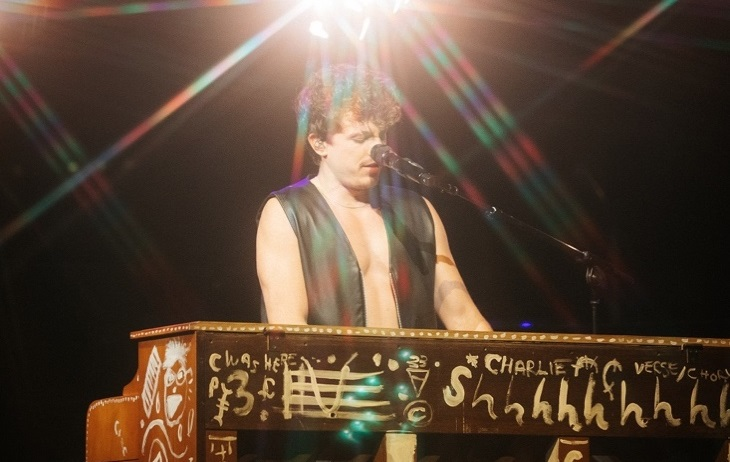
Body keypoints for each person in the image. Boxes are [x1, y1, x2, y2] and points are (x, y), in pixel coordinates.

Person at [256, 64, 492, 331]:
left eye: (382, 136)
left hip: (415, 361)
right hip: (329, 361)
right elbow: (289, 329)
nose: (378, 149)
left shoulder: (418, 211)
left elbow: (464, 318)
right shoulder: (286, 213)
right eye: (360, 138)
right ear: (319, 142)